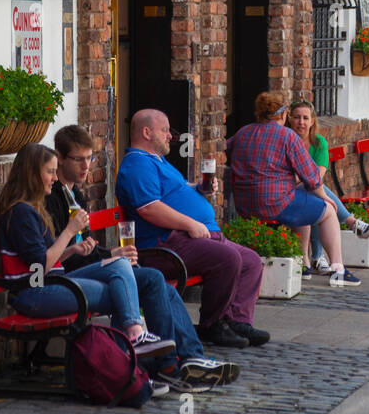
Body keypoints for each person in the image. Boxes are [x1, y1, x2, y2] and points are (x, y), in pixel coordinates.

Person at [51, 124, 238, 391]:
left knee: (160, 285)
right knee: (152, 278)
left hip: (95, 267)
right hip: (72, 276)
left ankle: (189, 360)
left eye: (89, 158)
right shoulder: (53, 197)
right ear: (60, 159)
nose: (86, 166)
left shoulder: (76, 195)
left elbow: (87, 245)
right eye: (78, 159)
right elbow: (62, 254)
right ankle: (168, 365)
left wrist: (112, 253)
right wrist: (107, 257)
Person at [0, 143, 176, 385]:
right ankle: (127, 369)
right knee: (118, 290)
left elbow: (47, 257)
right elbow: (39, 267)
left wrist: (71, 250)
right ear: (31, 174)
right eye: (50, 172)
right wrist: (70, 231)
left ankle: (132, 352)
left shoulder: (34, 209)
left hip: (54, 283)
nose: (54, 178)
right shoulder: (21, 213)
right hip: (36, 293)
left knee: (120, 264)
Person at [116, 109, 270, 350]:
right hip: (163, 244)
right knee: (227, 259)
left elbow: (173, 191)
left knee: (250, 260)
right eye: (165, 130)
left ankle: (236, 320)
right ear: (146, 132)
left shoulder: (157, 161)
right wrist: (190, 224)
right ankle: (212, 324)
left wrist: (198, 188)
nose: (170, 136)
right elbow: (149, 208)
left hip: (189, 238)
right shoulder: (137, 164)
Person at [228, 91, 361, 287]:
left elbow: (225, 152)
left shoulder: (242, 133)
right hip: (276, 204)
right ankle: (338, 269)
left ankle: (304, 264)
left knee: (302, 206)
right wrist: (327, 199)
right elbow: (312, 178)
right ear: (283, 115)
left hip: (244, 206)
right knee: (328, 211)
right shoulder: (287, 136)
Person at [286, 100, 369, 275]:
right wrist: (304, 178)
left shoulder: (319, 143)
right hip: (288, 190)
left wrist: (303, 178)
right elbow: (294, 177)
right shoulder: (286, 139)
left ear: (313, 121)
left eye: (305, 118)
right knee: (317, 196)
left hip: (308, 188)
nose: (301, 122)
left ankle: (314, 259)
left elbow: (317, 175)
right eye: (297, 117)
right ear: (290, 119)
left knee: (314, 196)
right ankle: (350, 223)